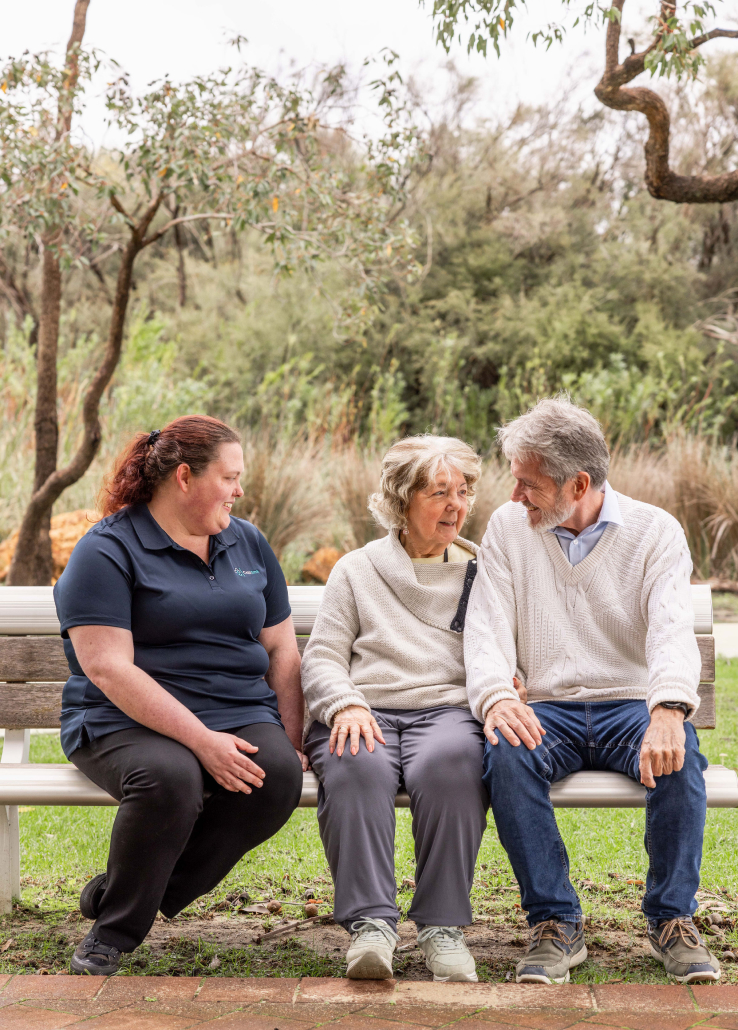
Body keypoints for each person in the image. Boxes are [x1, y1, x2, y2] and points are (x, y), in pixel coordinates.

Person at [464, 396, 720, 986]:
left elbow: (672, 631)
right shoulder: (508, 528)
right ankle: (555, 921)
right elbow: (485, 629)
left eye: (528, 483)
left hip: (630, 704)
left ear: (577, 483)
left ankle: (671, 919)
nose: (513, 495)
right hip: (545, 708)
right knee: (506, 753)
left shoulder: (655, 532)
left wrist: (669, 709)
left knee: (681, 755)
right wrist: (498, 697)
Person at [54, 415, 305, 975]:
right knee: (172, 777)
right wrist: (201, 741)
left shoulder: (248, 542)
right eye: (231, 477)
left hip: (237, 710)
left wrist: (290, 735)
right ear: (185, 477)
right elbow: (108, 669)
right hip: (122, 719)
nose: (241, 491)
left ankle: (128, 890)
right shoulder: (108, 549)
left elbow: (282, 650)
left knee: (279, 777)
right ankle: (114, 932)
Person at [302, 434, 511, 983]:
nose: (456, 505)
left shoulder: (482, 572)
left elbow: (509, 649)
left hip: (446, 712)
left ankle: (442, 929)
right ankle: (372, 927)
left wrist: (514, 680)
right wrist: (344, 704)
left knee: (452, 766)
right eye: (440, 491)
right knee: (356, 763)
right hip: (363, 708)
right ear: (401, 500)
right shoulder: (357, 569)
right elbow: (321, 658)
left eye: (463, 491)